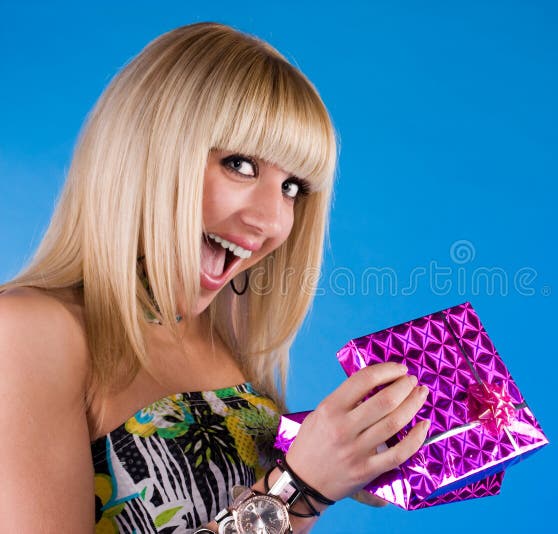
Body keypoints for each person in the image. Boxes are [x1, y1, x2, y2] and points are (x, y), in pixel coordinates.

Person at [0, 22, 430, 533]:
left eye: (292, 186)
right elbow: (281, 503)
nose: (272, 221)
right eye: (240, 164)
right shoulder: (26, 332)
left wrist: (339, 456)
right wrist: (298, 487)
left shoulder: (223, 344)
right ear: (148, 154)